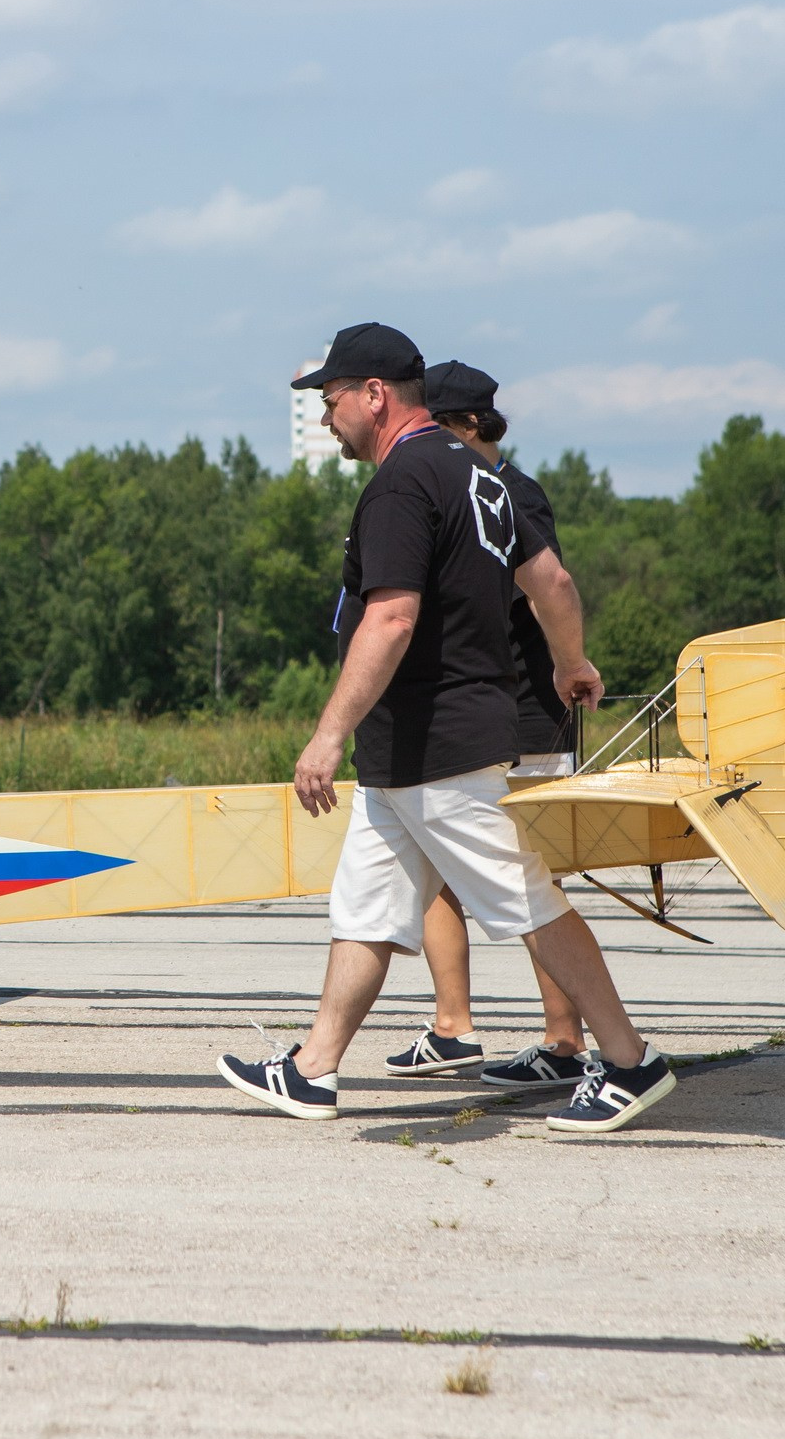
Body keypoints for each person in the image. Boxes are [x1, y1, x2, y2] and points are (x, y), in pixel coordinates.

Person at [215, 322, 675, 1133]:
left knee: (528, 901)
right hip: (409, 751)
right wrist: (572, 661)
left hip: (439, 744)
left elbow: (390, 619)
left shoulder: (400, 484)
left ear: (374, 395)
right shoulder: (483, 475)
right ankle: (314, 1070)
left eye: (331, 402)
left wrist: (326, 734)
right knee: (366, 908)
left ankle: (632, 1061)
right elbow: (552, 581)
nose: (327, 420)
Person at [382, 360, 591, 1093]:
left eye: (437, 425)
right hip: (494, 715)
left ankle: (566, 1042)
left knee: (533, 885)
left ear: (468, 426)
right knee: (440, 869)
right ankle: (452, 1026)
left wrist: (572, 663)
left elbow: (542, 590)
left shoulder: (501, 491)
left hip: (523, 713)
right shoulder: (482, 486)